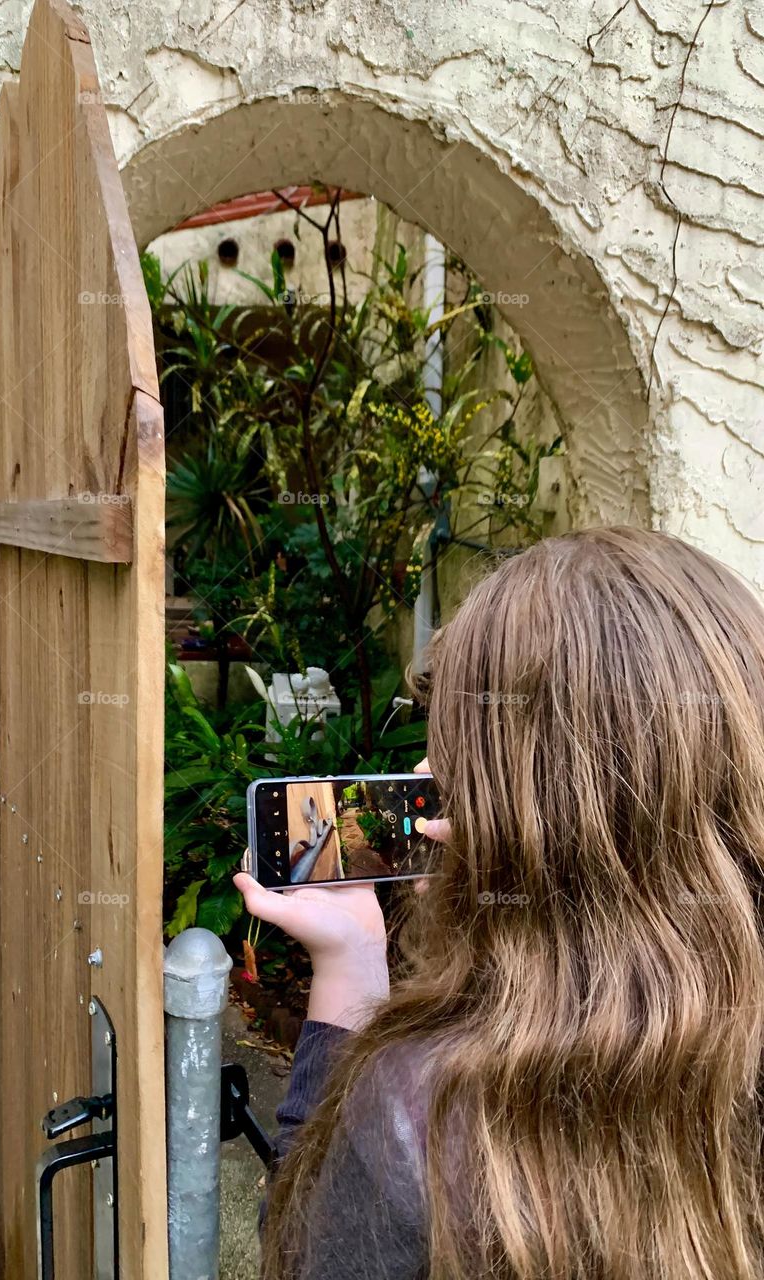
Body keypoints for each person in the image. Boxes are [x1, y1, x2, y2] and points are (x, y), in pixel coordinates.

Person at [234, 526, 764, 1280]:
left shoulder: (419, 1115)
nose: (424, 768)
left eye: (456, 746)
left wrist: (347, 993)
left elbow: (303, 1254)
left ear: (531, 813)